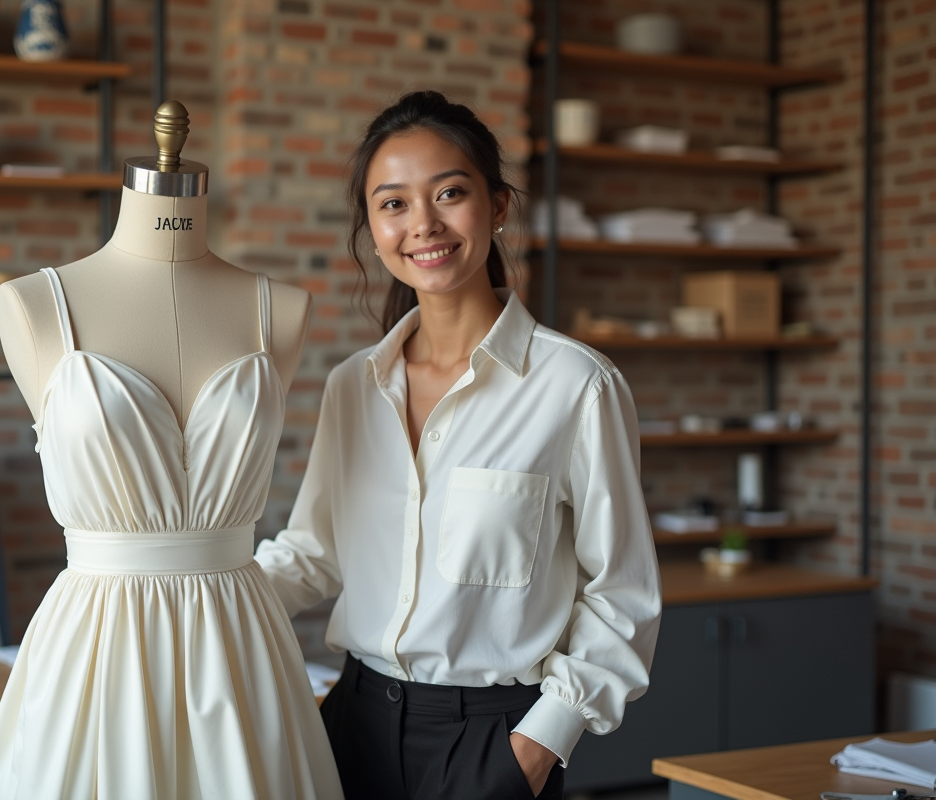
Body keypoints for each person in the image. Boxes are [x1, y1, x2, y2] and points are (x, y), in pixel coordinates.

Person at [254, 90, 662, 800]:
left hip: (492, 745)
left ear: (499, 205)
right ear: (373, 227)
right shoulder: (355, 386)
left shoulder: (575, 386)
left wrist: (536, 749)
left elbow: (621, 593)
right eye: (394, 204)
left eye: (450, 193)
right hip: (349, 728)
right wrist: (190, 593)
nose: (424, 225)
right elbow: (314, 554)